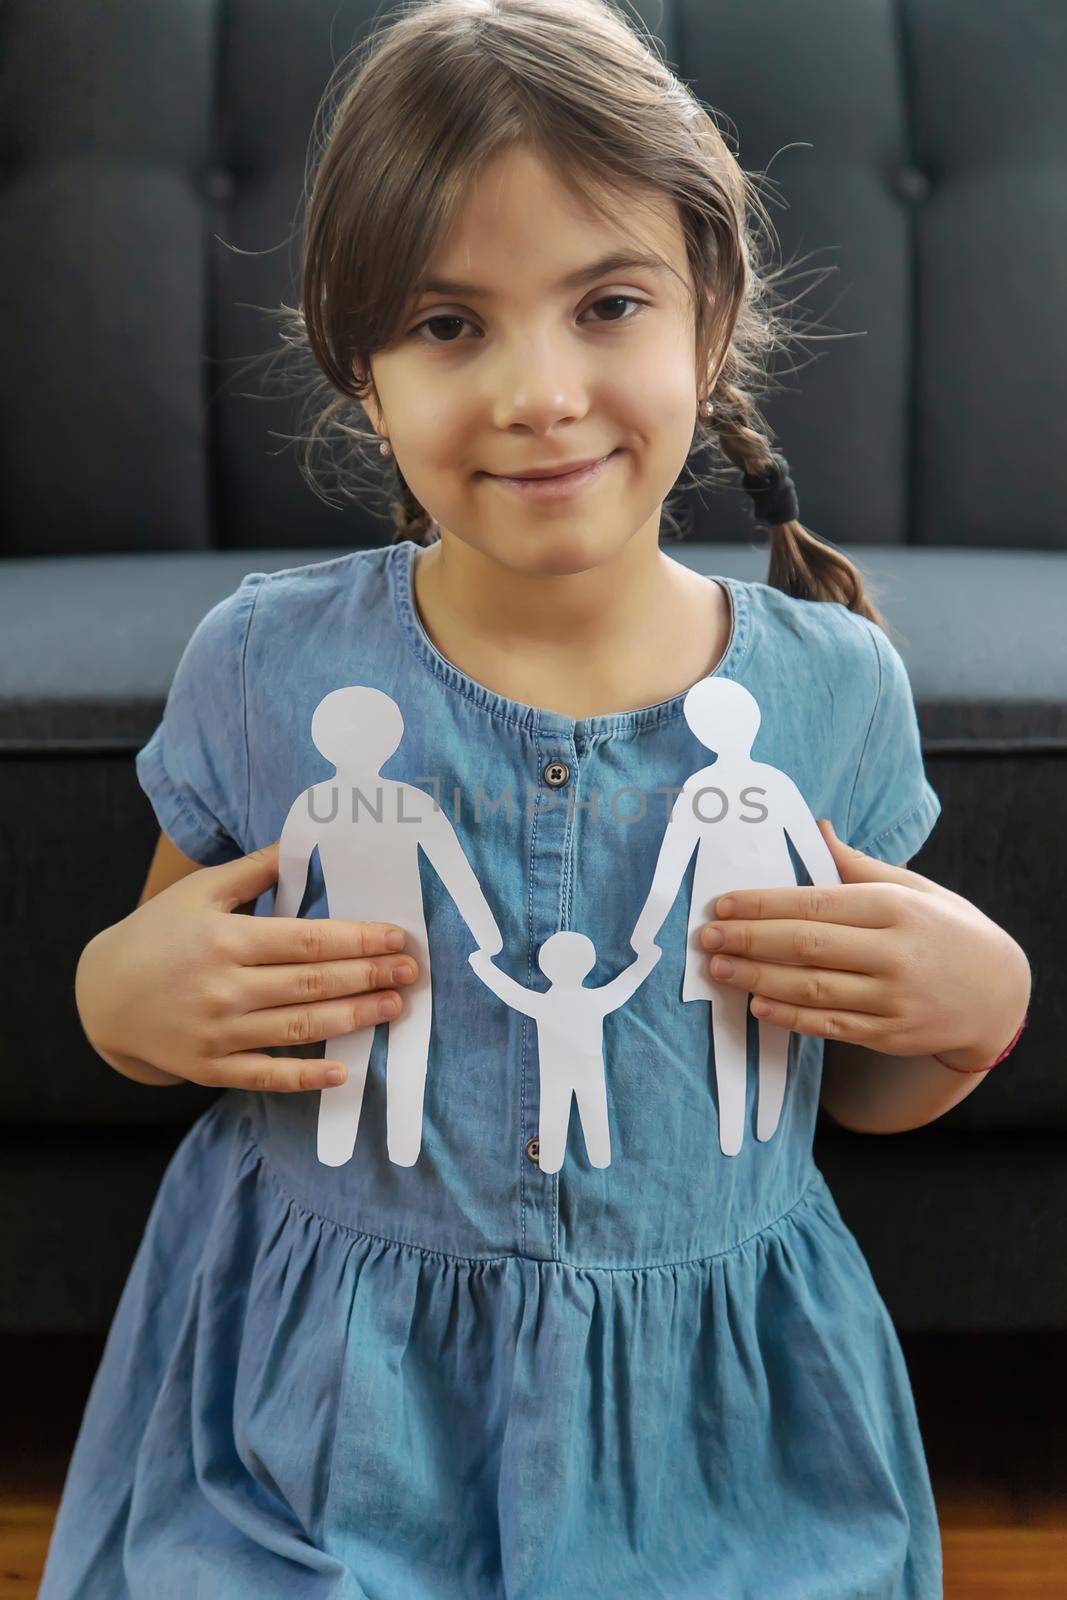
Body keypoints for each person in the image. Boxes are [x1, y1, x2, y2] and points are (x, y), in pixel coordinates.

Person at [40, 2, 1031, 1596]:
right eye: (448, 325)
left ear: (710, 323)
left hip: (714, 1450)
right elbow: (177, 988)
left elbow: (856, 1090)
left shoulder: (832, 688)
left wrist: (976, 1011)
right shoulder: (261, 664)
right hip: (322, 1430)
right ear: (359, 372)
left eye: (608, 304)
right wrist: (113, 994)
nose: (538, 391)